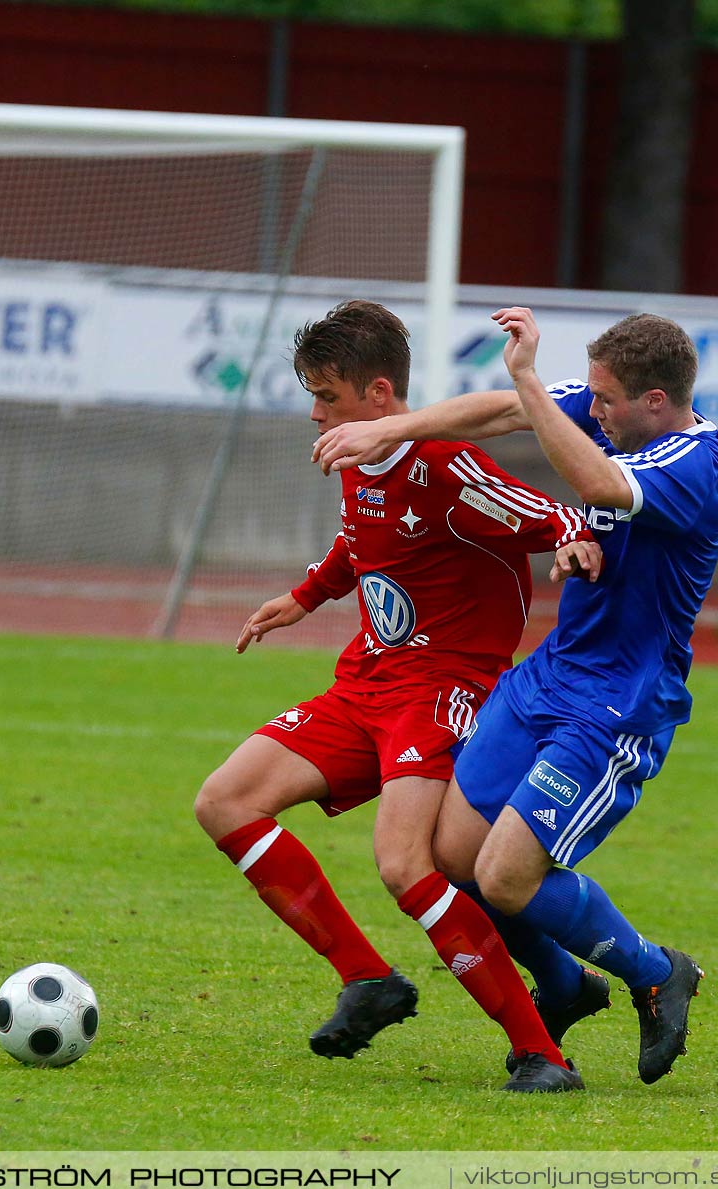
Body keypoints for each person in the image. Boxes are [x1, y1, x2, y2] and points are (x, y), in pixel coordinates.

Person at [315, 308, 718, 1085]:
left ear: (654, 402)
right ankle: (569, 984)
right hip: (548, 675)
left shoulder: (701, 463)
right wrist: (389, 434)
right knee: (451, 856)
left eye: (604, 401)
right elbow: (499, 411)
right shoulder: (614, 410)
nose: (594, 409)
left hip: (616, 704)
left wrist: (530, 380)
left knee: (507, 875)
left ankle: (657, 971)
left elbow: (600, 480)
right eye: (591, 398)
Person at [193, 300, 603, 1093]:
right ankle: (368, 979)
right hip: (367, 681)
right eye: (313, 395)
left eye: (329, 397)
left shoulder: (445, 465)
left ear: (380, 395)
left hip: (442, 690)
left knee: (404, 862)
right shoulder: (356, 458)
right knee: (225, 801)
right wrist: (307, 598)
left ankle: (539, 1054)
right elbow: (361, 538)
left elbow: (547, 514)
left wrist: (572, 541)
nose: (316, 413)